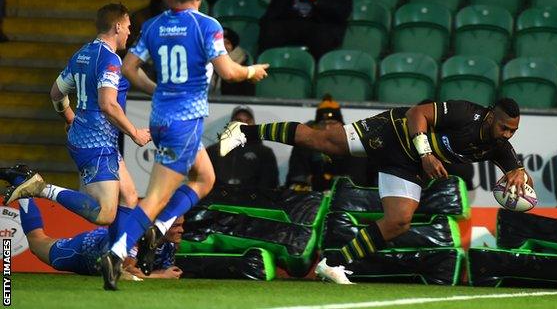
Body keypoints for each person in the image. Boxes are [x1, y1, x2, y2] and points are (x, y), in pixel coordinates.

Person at [220, 98, 531, 284]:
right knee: (322, 142)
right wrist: (425, 153)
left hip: (406, 165)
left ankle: (332, 264)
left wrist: (518, 173)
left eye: (512, 132)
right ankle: (243, 131)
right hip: (393, 133)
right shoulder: (466, 113)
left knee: (399, 221)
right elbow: (416, 114)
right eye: (504, 127)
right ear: (491, 116)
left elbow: (515, 171)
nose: (506, 134)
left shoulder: (499, 145)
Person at [102, 0, 268, 290]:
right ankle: (116, 252)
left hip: (160, 117)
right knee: (156, 197)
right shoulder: (206, 25)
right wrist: (251, 72)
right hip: (186, 121)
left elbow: (128, 66)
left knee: (205, 178)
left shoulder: (152, 25)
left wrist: (156, 88)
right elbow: (229, 72)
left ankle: (159, 227)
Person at [4, 4, 151, 248]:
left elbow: (56, 93)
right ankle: (40, 188)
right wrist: (134, 133)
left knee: (129, 196)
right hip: (97, 143)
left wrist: (70, 118)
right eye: (127, 27)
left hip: (90, 137)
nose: (129, 32)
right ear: (117, 26)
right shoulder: (110, 59)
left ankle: (114, 262)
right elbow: (108, 104)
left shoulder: (83, 54)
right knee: (105, 214)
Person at [17, 197, 183, 279]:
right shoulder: (137, 237)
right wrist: (162, 276)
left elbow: (161, 272)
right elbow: (126, 272)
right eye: (176, 226)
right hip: (87, 250)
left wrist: (163, 274)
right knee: (36, 241)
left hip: (101, 260)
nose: (181, 230)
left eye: (182, 225)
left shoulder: (168, 246)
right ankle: (24, 188)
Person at [286, 95, 373, 191]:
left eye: (332, 123)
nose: (327, 128)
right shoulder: (303, 145)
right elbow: (297, 179)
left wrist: (319, 181)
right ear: (316, 127)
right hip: (311, 202)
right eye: (323, 124)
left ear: (342, 125)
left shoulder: (355, 145)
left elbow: (357, 181)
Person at [206, 105, 278, 189]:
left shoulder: (265, 153)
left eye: (248, 121)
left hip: (253, 201)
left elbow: (269, 185)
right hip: (217, 200)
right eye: (238, 120)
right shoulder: (212, 151)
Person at [210, 28, 255, 96]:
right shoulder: (207, 63)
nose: (223, 46)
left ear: (233, 46)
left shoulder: (243, 66)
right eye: (221, 43)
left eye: (227, 43)